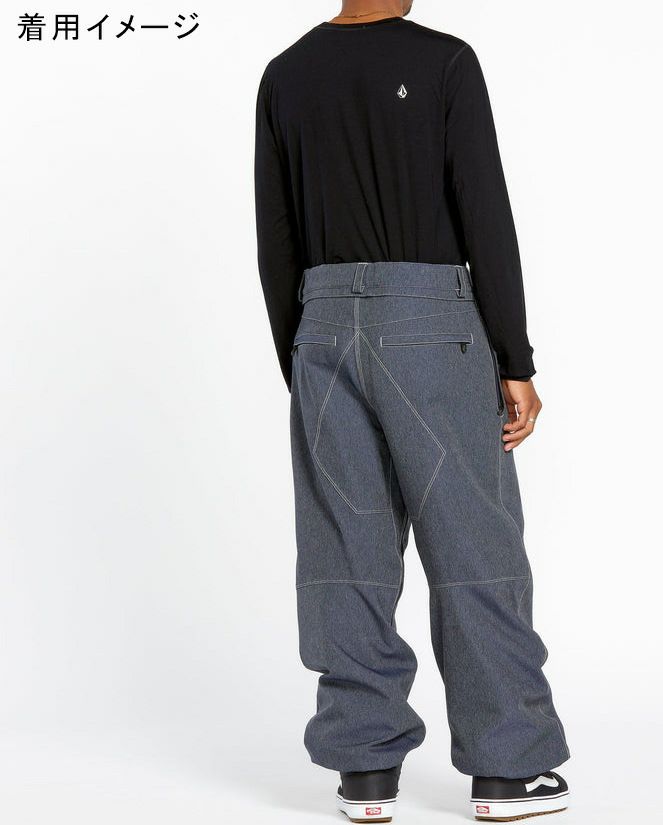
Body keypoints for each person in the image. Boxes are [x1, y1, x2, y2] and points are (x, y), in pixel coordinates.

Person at [254, 2, 570, 820]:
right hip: (429, 318)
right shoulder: (444, 60)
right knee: (472, 540)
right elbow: (482, 210)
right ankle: (507, 769)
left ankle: (363, 768)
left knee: (343, 546)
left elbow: (275, 234)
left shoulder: (286, 73)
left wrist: (302, 354)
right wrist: (515, 357)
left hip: (320, 320)